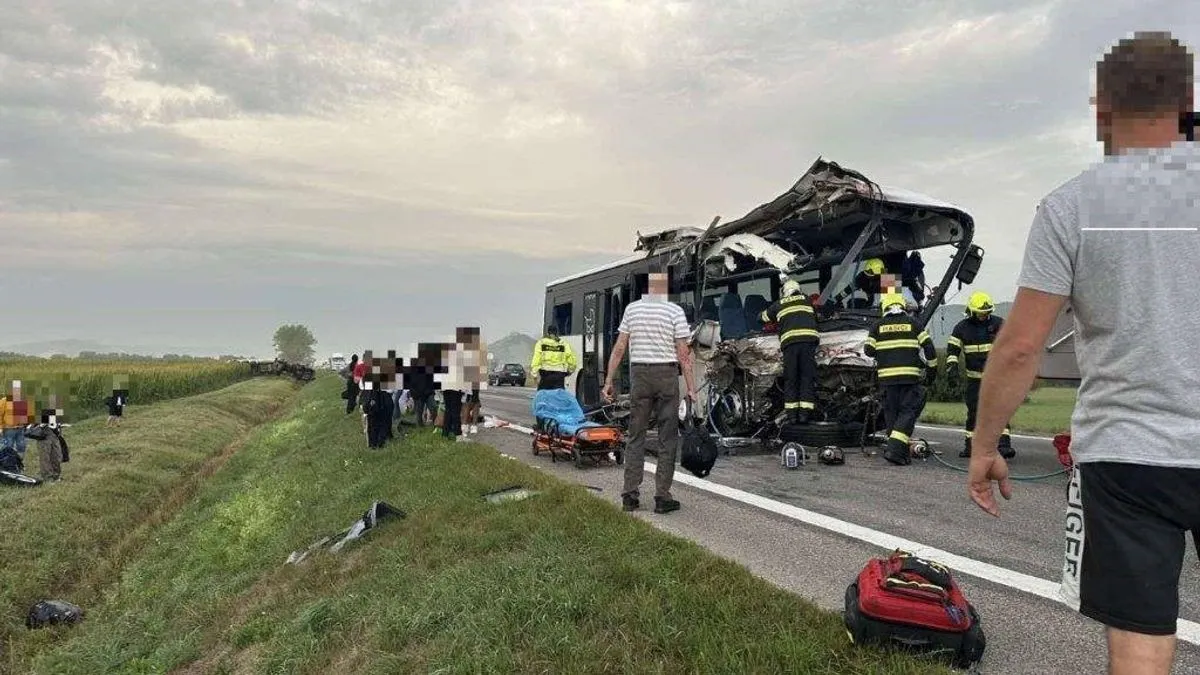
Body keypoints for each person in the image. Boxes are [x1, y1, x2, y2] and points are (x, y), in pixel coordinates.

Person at [967, 32, 1198, 675]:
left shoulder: (1070, 205)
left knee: (1141, 637)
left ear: (1101, 111)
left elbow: (1019, 348)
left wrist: (986, 447)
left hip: (1127, 454)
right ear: (1187, 100)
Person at [602, 268, 696, 515]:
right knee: (667, 438)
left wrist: (609, 380)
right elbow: (683, 355)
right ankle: (662, 498)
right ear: (664, 290)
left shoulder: (632, 309)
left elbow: (620, 346)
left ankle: (630, 496)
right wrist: (692, 388)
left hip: (639, 375)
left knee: (636, 436)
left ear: (646, 289)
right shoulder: (675, 311)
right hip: (666, 375)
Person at [863, 291, 936, 466]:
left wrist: (884, 348)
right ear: (902, 307)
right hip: (909, 378)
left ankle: (895, 449)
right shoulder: (914, 324)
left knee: (891, 413)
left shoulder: (877, 326)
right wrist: (932, 370)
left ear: (885, 307)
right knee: (908, 412)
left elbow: (868, 350)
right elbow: (929, 348)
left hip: (887, 380)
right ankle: (896, 450)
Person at [945, 291, 1014, 459]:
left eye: (986, 313)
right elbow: (952, 350)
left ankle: (1004, 445)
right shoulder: (961, 327)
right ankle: (970, 447)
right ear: (971, 311)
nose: (984, 316)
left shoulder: (999, 324)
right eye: (980, 313)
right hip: (974, 380)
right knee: (974, 413)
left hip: (995, 379)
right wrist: (952, 369)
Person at [760, 278, 819, 424]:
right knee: (806, 378)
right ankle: (805, 415)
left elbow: (763, 317)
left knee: (791, 379)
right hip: (808, 343)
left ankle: (792, 416)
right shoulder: (807, 300)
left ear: (784, 292)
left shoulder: (779, 304)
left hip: (791, 345)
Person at [531, 324, 577, 390]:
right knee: (559, 398)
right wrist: (570, 371)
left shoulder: (541, 343)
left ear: (547, 333)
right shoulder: (563, 344)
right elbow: (571, 360)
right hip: (559, 376)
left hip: (545, 375)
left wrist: (535, 375)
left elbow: (536, 359)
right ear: (556, 333)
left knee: (543, 397)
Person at [0, 380, 35, 459]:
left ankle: (19, 464)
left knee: (21, 447)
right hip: (8, 429)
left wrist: (30, 423)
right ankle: (7, 465)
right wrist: (1, 427)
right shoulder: (4, 401)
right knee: (8, 447)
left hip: (21, 429)